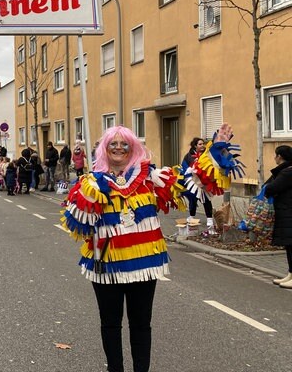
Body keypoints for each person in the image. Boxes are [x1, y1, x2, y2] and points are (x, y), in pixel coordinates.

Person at [61, 124, 241, 372]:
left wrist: (216, 150)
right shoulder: (90, 181)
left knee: (141, 324)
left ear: (133, 148)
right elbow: (77, 225)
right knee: (110, 324)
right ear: (104, 149)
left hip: (144, 263)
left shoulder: (150, 178)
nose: (119, 148)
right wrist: (90, 196)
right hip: (105, 264)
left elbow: (193, 180)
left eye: (125, 144)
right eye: (113, 144)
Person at [265, 145, 292, 288]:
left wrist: (268, 189)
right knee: (289, 245)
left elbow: (272, 188)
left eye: (275, 155)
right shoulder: (284, 171)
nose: (274, 158)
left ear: (279, 156)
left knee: (291, 245)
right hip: (285, 211)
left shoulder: (287, 172)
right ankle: (290, 274)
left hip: (289, 211)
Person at [182, 137, 215, 235]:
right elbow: (185, 167)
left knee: (206, 200)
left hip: (205, 182)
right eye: (200, 144)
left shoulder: (206, 154)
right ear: (195, 146)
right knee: (193, 199)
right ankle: (192, 216)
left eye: (203, 144)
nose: (202, 146)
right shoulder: (189, 156)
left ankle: (209, 220)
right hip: (193, 182)